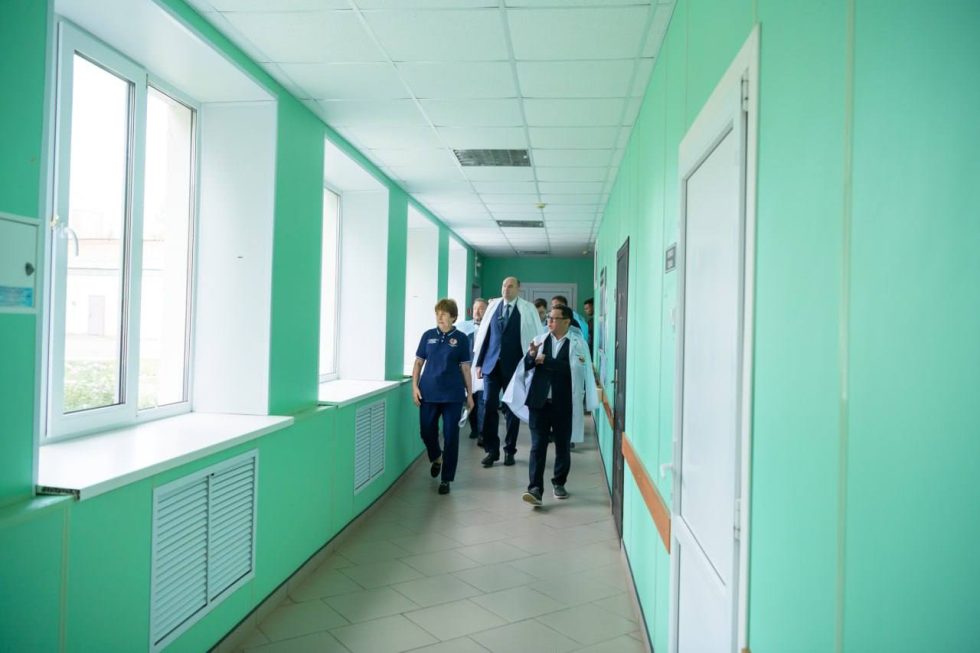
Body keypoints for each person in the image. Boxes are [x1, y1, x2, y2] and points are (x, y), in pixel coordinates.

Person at [503, 305, 599, 505]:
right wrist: (531, 356)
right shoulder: (539, 340)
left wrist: (547, 361)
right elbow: (526, 367)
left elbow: (574, 370)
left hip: (564, 404)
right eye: (549, 318)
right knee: (537, 446)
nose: (550, 321)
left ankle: (559, 482)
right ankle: (535, 489)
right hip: (539, 403)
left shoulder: (578, 344)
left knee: (562, 446)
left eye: (554, 318)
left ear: (566, 321)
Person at [472, 277, 544, 467]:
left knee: (512, 408)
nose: (506, 288)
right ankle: (492, 450)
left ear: (519, 289)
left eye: (511, 286)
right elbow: (485, 336)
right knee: (489, 406)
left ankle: (509, 450)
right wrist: (479, 363)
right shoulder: (493, 307)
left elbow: (534, 336)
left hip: (514, 367)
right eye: (504, 285)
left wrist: (531, 363)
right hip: (491, 365)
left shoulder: (527, 309)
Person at [411, 299, 475, 495]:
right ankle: (436, 457)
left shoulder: (461, 339)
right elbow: (418, 363)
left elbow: (466, 368)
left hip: (452, 395)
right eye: (438, 313)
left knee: (451, 436)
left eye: (444, 313)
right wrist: (414, 387)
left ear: (453, 317)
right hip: (428, 392)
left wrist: (470, 395)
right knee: (426, 431)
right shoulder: (428, 335)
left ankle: (446, 478)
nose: (439, 316)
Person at [456, 298, 488, 445]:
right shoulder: (462, 326)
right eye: (475, 308)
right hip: (466, 370)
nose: (477, 311)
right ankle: (474, 428)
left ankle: (482, 433)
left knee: (483, 401)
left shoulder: (491, 326)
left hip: (483, 369)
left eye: (481, 308)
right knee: (470, 399)